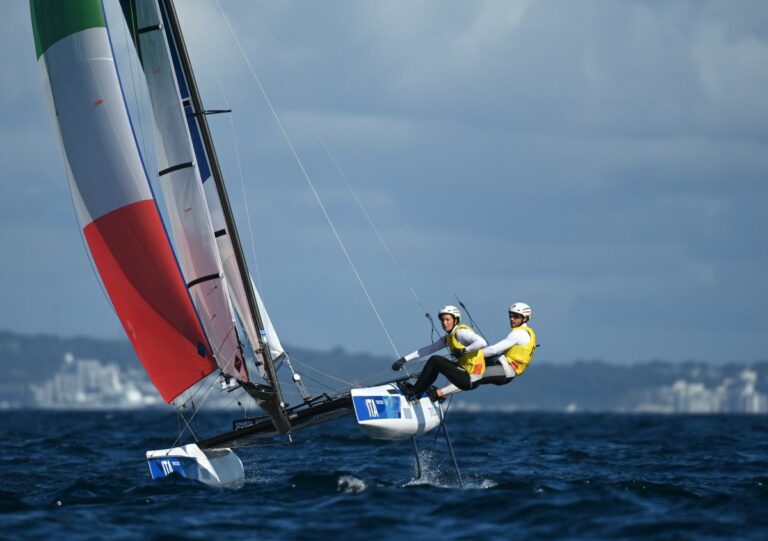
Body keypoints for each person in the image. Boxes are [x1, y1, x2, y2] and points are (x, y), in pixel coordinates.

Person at [391, 305, 487, 400]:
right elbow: (428, 349)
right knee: (435, 364)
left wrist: (464, 350)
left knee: (436, 360)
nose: (444, 323)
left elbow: (482, 342)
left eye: (447, 319)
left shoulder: (461, 333)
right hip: (466, 375)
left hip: (470, 378)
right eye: (442, 320)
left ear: (455, 320)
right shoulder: (448, 338)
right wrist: (404, 359)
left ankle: (414, 391)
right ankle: (421, 390)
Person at [476, 302, 537, 387]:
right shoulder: (529, 332)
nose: (512, 319)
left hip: (505, 370)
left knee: (472, 376)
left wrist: (473, 354)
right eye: (510, 316)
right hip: (502, 365)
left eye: (516, 316)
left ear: (525, 318)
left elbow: (494, 349)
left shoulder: (520, 333)